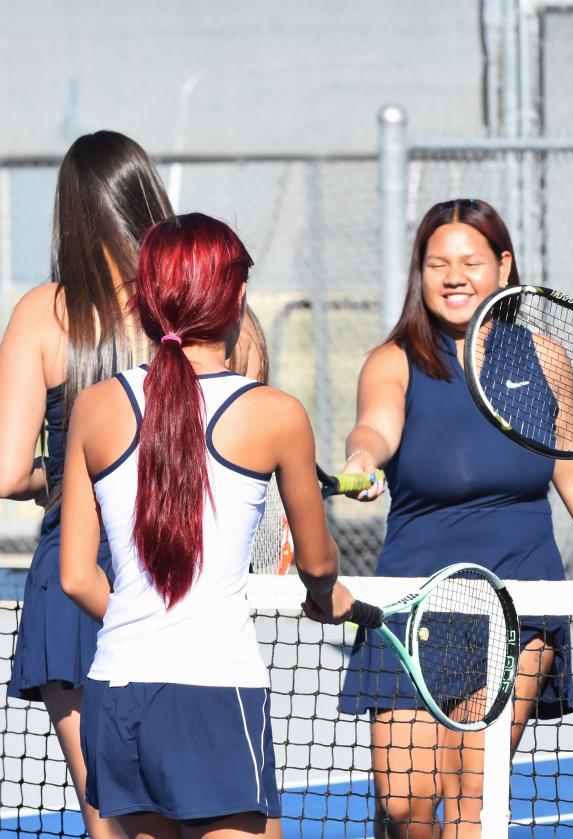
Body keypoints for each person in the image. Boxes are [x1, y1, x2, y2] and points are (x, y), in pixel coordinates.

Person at [338, 198, 573, 839]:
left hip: (518, 598)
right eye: (438, 263)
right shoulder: (392, 361)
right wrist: (362, 459)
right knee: (405, 806)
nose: (454, 276)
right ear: (419, 274)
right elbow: (374, 427)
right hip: (412, 605)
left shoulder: (544, 356)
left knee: (475, 799)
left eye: (471, 261)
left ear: (503, 267)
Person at [0, 130, 266, 839]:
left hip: (74, 584)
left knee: (114, 826)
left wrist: (56, 476)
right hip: (184, 579)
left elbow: (5, 470)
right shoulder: (225, 318)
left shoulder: (44, 312)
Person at [58, 212, 354, 839]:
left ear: (144, 299)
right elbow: (319, 563)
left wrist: (147, 626)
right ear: (238, 300)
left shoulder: (94, 406)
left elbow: (78, 576)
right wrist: (327, 597)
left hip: (115, 693)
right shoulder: (275, 415)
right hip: (213, 692)